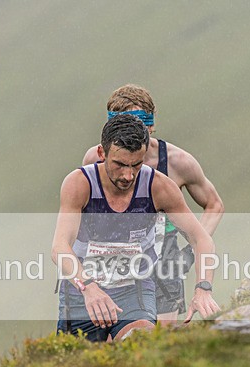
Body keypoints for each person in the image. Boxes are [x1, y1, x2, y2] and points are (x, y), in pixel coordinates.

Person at [53, 113, 220, 342]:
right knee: (79, 362)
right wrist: (89, 287)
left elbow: (201, 239)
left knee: (142, 343)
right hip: (82, 291)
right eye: (120, 164)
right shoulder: (79, 184)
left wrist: (203, 289)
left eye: (136, 165)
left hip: (134, 289)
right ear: (101, 153)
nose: (128, 175)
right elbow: (60, 247)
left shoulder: (159, 187)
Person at [83, 84, 224, 324]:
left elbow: (214, 205)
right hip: (112, 255)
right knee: (112, 332)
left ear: (151, 125)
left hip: (164, 256)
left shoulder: (178, 162)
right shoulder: (95, 159)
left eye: (136, 125)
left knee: (160, 336)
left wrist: (191, 250)